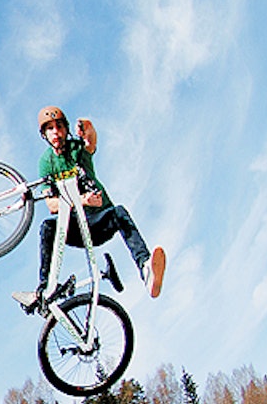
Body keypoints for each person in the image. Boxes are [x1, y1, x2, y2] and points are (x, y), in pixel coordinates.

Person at [14, 107, 166, 312]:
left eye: (59, 127)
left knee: (119, 213)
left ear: (66, 129)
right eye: (50, 129)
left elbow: (91, 142)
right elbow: (52, 205)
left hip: (100, 222)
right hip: (77, 228)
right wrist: (83, 200)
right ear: (44, 134)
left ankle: (146, 268)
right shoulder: (46, 163)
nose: (56, 132)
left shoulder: (76, 149)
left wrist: (88, 126)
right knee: (47, 227)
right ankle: (44, 290)